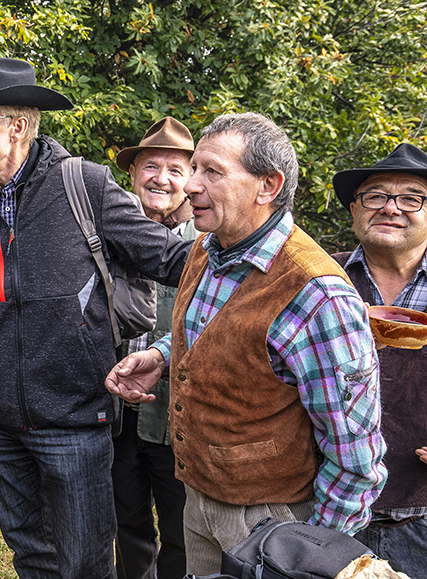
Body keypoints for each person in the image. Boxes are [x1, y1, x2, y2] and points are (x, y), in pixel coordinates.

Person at [0, 56, 191, 579]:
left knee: (86, 565)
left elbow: (174, 259)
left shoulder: (83, 185)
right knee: (32, 557)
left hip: (74, 421)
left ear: (18, 127)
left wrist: (261, 257)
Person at [105, 112, 387, 575]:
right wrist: (162, 354)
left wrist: (309, 552)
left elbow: (355, 455)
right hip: (199, 498)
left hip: (271, 520)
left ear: (267, 186)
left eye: (211, 171)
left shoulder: (317, 294)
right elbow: (215, 329)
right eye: (194, 168)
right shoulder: (207, 246)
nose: (191, 185)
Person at [332, 143, 427, 576]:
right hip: (329, 509)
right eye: (375, 196)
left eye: (411, 197)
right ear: (354, 210)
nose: (391, 208)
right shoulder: (318, 280)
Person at [112, 117, 195, 579]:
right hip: (118, 413)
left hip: (177, 419)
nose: (161, 179)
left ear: (192, 180)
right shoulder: (108, 234)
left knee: (182, 532)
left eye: (175, 170)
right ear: (133, 173)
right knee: (127, 522)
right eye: (151, 166)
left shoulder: (205, 242)